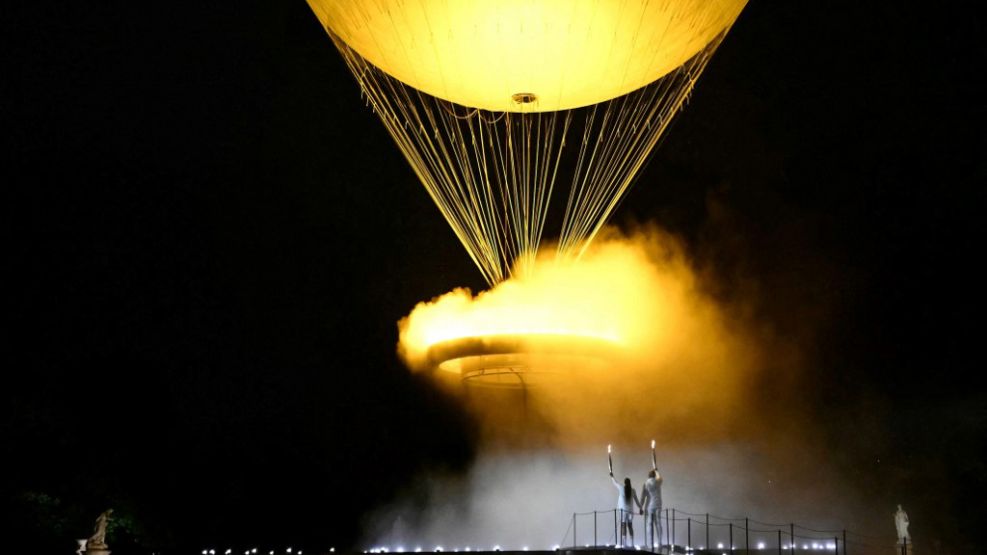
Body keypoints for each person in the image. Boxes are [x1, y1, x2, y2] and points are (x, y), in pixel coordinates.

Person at [610, 471, 642, 548]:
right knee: (630, 526)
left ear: (624, 483)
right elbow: (637, 501)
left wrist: (612, 476)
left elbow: (615, 483)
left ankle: (624, 544)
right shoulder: (633, 490)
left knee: (623, 526)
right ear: (630, 483)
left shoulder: (621, 488)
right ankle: (632, 544)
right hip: (631, 511)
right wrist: (641, 508)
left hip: (623, 511)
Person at [640, 469, 663, 550]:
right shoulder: (658, 481)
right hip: (658, 504)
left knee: (649, 524)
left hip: (650, 505)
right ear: (654, 475)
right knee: (658, 523)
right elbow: (660, 477)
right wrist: (657, 470)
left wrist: (640, 507)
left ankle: (650, 544)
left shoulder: (646, 483)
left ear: (648, 475)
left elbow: (642, 497)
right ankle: (660, 543)